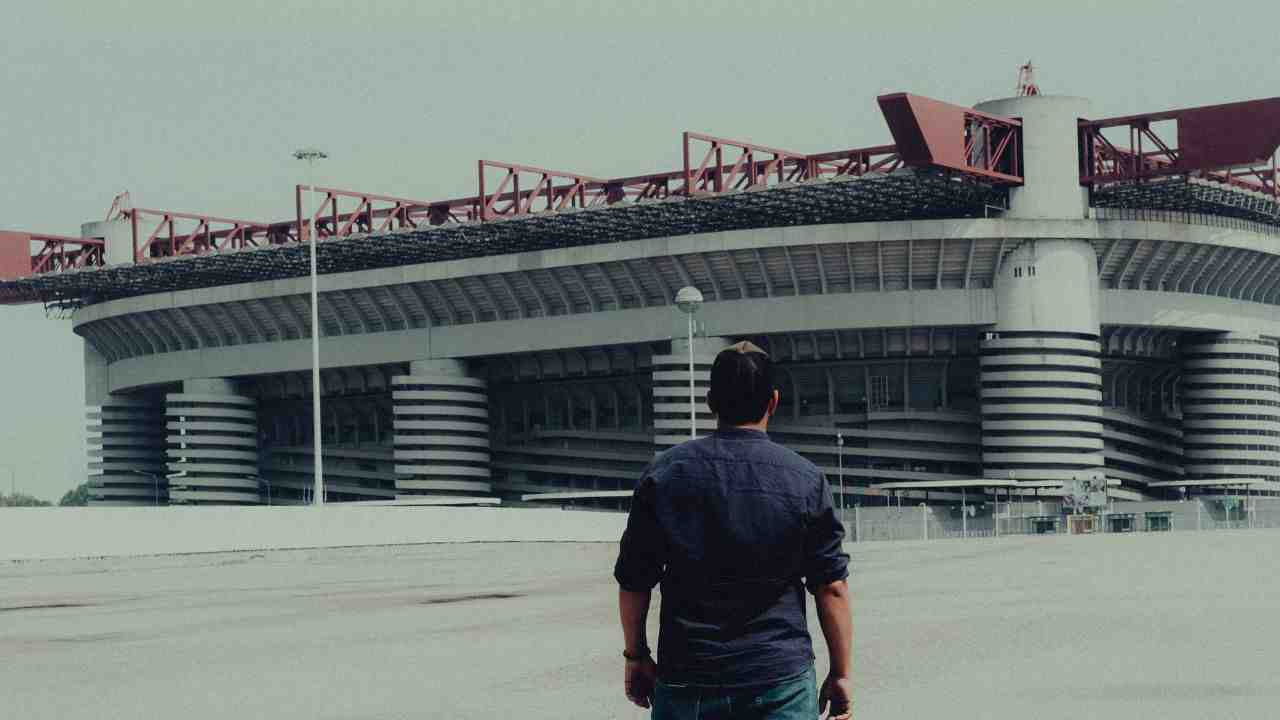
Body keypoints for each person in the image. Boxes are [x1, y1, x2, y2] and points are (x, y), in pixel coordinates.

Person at [614, 340, 853, 719]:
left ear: (710, 402)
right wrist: (840, 674)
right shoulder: (805, 480)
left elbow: (634, 581)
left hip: (687, 676)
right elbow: (832, 587)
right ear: (773, 402)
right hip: (778, 680)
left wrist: (636, 654)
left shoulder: (664, 474)